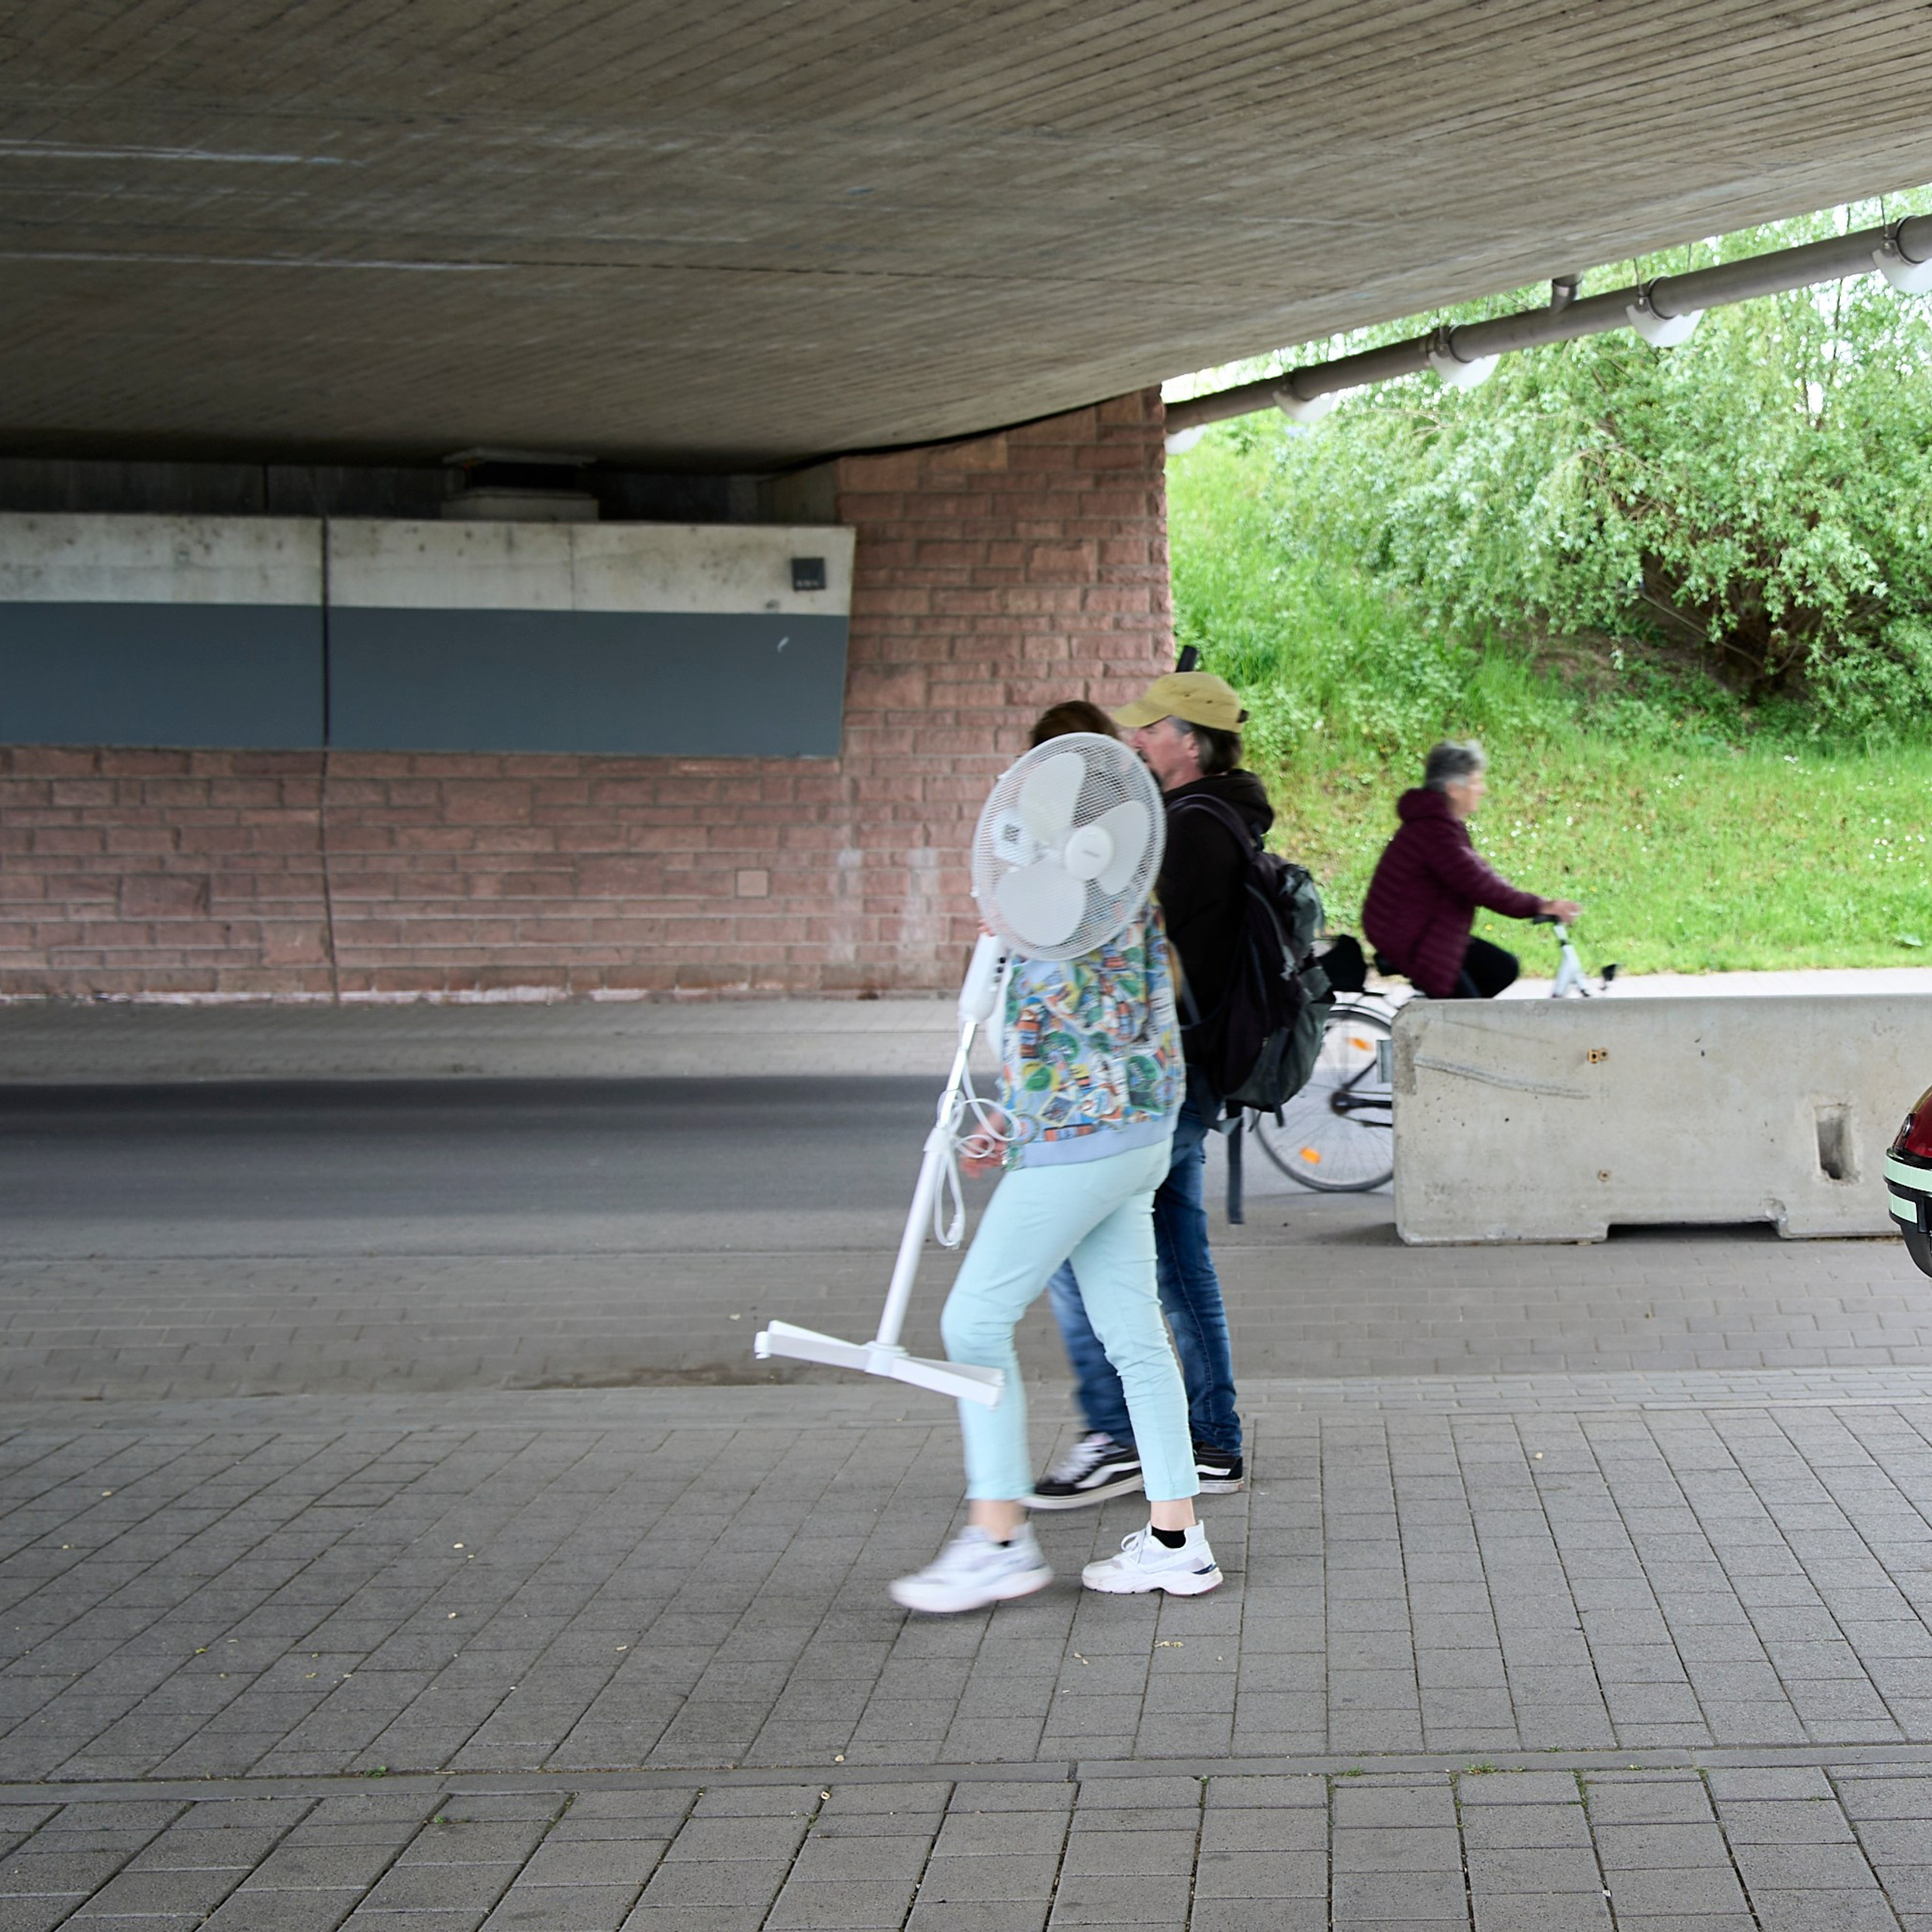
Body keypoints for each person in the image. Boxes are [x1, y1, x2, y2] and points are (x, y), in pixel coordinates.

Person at [888, 841, 1223, 1613]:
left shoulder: (1057, 914)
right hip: (1138, 1136)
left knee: (973, 1321)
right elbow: (1089, 1040)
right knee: (1136, 1339)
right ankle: (1177, 1542)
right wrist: (1010, 1114)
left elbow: (1062, 1035)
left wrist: (1011, 931)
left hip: (1077, 1146)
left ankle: (999, 1538)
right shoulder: (1128, 900)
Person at [1030, 671, 1258, 1510]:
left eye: (1150, 730)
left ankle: (1130, 1434)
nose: (1136, 741)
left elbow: (1119, 935)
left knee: (1092, 1250)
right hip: (1180, 1075)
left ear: (1189, 742)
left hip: (1166, 1077)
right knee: (1170, 1259)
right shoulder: (1210, 820)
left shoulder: (1193, 833)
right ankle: (1206, 1438)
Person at [1361, 740, 1582, 998]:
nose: (1483, 789)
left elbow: (1477, 875)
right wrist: (1538, 905)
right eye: (1476, 782)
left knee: (1502, 968)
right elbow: (1480, 884)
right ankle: (1446, 1033)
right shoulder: (1433, 831)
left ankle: (1441, 1026)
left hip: (1427, 932)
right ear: (1454, 789)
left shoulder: (1439, 824)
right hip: (1412, 941)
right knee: (1467, 1018)